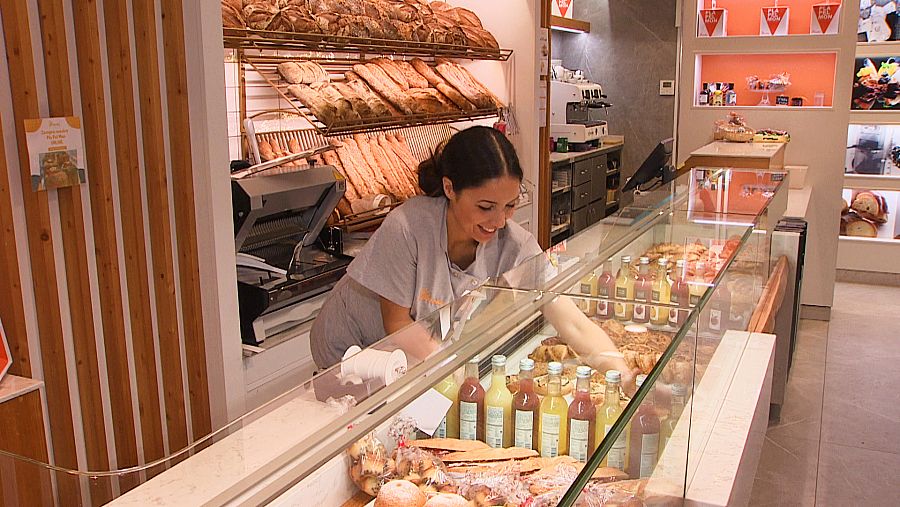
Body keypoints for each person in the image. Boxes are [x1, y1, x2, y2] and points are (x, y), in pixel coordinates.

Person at [310, 126, 633, 384]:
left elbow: (572, 322)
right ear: (450, 189)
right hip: (353, 343)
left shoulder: (514, 244)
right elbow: (397, 322)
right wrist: (451, 370)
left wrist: (619, 370)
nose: (499, 221)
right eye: (485, 207)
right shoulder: (409, 226)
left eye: (510, 205)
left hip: (413, 350)